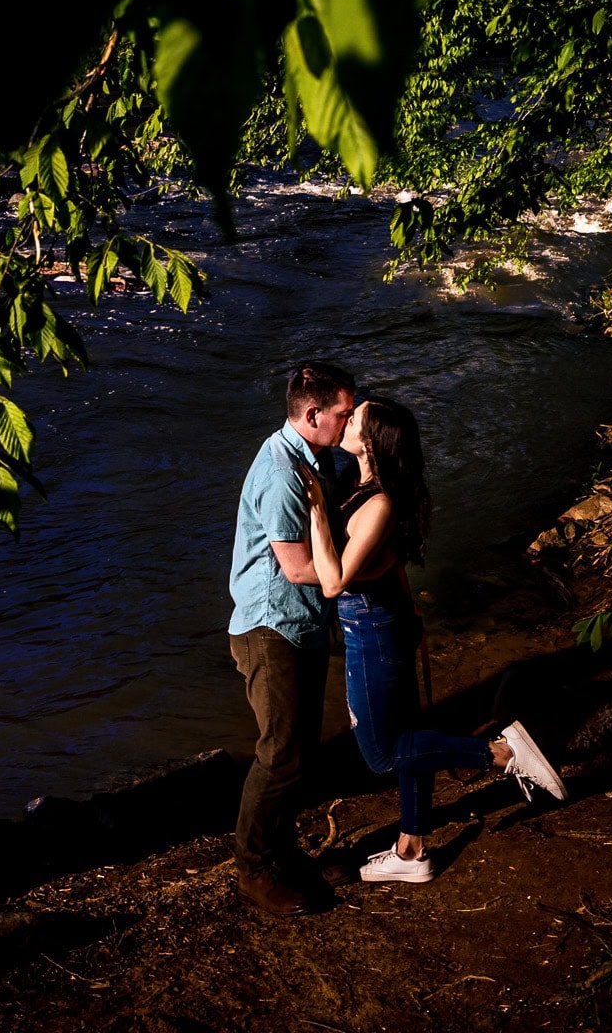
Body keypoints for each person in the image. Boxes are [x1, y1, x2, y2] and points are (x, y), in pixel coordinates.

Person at [303, 397, 568, 883]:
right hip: (388, 621)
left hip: (371, 630)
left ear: (372, 442)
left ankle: (501, 754)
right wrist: (413, 612)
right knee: (409, 738)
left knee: (383, 752)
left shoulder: (378, 502)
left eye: (356, 417)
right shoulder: (364, 488)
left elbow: (335, 581)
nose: (346, 419)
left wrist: (318, 511)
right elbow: (392, 566)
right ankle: (412, 850)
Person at [226, 361, 359, 916]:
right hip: (269, 626)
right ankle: (252, 869)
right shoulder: (282, 473)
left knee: (299, 754)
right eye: (343, 415)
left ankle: (282, 853)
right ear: (313, 414)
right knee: (279, 752)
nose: (349, 425)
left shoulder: (314, 458)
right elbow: (301, 568)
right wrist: (361, 571)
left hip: (300, 622)